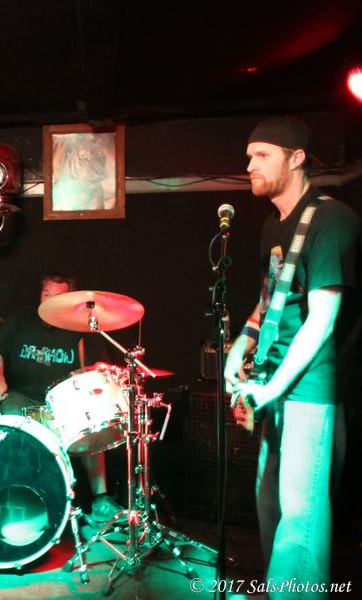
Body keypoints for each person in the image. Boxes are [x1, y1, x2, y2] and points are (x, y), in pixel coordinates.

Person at [225, 116, 360, 597]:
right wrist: (241, 345)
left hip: (310, 388)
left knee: (301, 518)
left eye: (262, 155)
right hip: (274, 384)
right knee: (271, 507)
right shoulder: (272, 226)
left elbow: (322, 320)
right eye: (249, 156)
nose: (250, 165)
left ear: (297, 158)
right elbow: (271, 299)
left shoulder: (332, 219)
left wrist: (274, 387)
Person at [0, 274, 124, 526]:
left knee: (91, 424)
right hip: (21, 395)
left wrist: (86, 385)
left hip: (62, 402)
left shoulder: (80, 327)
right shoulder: (22, 319)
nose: (48, 301)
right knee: (11, 417)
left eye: (56, 297)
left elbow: (92, 371)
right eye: (46, 294)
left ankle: (101, 500)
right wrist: (0, 380)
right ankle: (16, 493)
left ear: (68, 299)